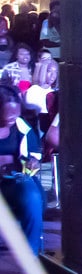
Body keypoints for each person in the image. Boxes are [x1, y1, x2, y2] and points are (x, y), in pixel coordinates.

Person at [0, 85, 45, 253]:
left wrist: (33, 162)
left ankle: (31, 254)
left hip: (13, 181)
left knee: (32, 195)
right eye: (8, 114)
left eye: (17, 113)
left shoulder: (21, 127)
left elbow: (35, 156)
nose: (14, 117)